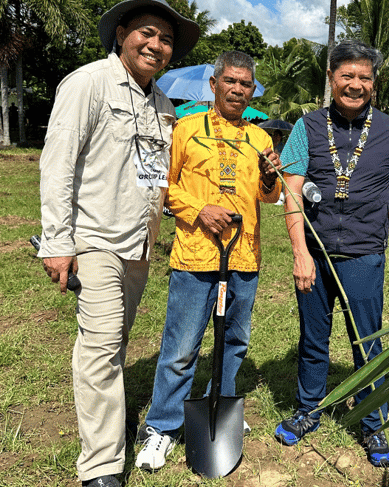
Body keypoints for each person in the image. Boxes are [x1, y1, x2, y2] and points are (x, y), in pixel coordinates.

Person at [38, 0, 200, 487]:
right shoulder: (88, 83)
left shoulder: (163, 105)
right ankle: (102, 468)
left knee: (111, 343)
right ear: (122, 35)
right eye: (147, 33)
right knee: (102, 348)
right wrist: (57, 240)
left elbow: (161, 177)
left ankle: (106, 424)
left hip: (140, 244)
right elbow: (58, 162)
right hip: (94, 238)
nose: (156, 45)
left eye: (166, 39)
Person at [134, 51, 281, 470]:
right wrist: (200, 209)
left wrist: (269, 177)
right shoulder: (185, 129)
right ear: (214, 85)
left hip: (243, 253)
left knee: (234, 340)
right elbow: (164, 185)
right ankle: (162, 427)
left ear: (252, 90)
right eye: (230, 82)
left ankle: (222, 408)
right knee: (181, 346)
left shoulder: (260, 138)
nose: (238, 89)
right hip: (196, 254)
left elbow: (268, 196)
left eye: (245, 84)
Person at [275, 40, 389, 467]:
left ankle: (373, 424)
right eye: (347, 76)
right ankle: (308, 409)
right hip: (316, 254)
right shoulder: (307, 127)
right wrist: (300, 253)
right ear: (331, 78)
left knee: (367, 343)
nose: (355, 85)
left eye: (364, 77)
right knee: (313, 338)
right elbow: (292, 191)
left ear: (374, 83)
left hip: (364, 255)